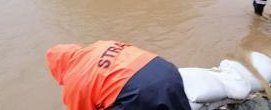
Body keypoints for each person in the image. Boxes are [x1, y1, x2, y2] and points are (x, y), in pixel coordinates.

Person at [46, 40, 191, 110]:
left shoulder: (74, 79)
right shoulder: (100, 44)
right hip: (168, 71)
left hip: (139, 92)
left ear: (58, 69)